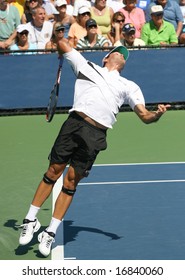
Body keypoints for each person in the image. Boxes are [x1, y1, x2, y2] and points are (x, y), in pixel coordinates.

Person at [18, 38, 170, 257]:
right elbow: (62, 44)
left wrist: (157, 114)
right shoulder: (86, 66)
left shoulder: (129, 86)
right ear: (106, 57)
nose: (122, 55)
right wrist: (59, 34)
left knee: (71, 182)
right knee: (53, 171)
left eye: (124, 55)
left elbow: (144, 116)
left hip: (96, 135)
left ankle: (50, 232)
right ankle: (30, 219)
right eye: (118, 52)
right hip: (74, 125)